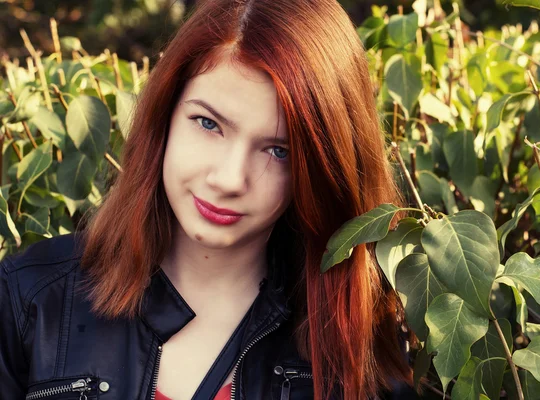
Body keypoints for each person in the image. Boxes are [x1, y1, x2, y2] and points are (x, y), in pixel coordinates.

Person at [0, 0, 419, 399]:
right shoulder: (29, 301)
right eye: (208, 123)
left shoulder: (358, 344)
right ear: (164, 114)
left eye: (279, 150)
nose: (229, 179)